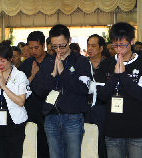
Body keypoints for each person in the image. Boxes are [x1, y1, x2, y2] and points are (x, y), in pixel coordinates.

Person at [32, 24, 92, 158]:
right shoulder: (48, 62)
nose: (58, 50)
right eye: (54, 46)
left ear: (69, 40)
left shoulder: (81, 61)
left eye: (62, 46)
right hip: (51, 117)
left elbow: (83, 89)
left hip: (72, 117)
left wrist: (63, 72)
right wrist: (53, 74)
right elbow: (39, 90)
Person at [96, 22, 142, 158]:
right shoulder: (106, 64)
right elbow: (102, 96)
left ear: (132, 41)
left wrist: (123, 76)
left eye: (122, 45)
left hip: (136, 129)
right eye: (115, 45)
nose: (118, 49)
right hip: (113, 129)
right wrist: (115, 76)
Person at [0, 42, 31, 158]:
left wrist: (4, 87)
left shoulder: (20, 76)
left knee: (14, 154)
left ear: (10, 59)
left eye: (2, 60)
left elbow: (21, 101)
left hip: (15, 122)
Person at [19, 31, 50, 158]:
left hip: (48, 110)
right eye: (30, 48)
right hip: (30, 110)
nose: (33, 51)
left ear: (43, 45)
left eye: (36, 47)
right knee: (31, 145)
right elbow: (20, 87)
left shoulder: (52, 62)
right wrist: (32, 75)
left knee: (46, 145)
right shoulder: (26, 64)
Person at [85, 34, 108, 158]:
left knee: (102, 141)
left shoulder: (109, 65)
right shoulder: (82, 65)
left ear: (101, 48)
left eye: (93, 46)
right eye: (88, 45)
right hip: (85, 108)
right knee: (87, 141)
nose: (90, 48)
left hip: (102, 108)